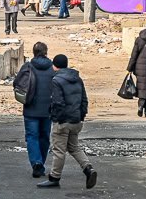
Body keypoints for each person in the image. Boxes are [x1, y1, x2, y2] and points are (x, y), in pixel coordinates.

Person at [39, 54, 97, 190]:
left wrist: (56, 118)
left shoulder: (56, 80)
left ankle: (54, 178)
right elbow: (84, 100)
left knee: (59, 150)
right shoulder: (77, 79)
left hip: (63, 121)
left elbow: (57, 102)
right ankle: (88, 169)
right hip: (76, 120)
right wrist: (81, 116)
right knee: (74, 147)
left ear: (54, 66)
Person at [20, 41, 56, 178]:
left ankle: (37, 163)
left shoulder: (27, 67)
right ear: (46, 52)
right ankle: (40, 162)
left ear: (34, 52)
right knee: (44, 137)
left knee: (31, 136)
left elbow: (17, 83)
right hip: (48, 110)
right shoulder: (52, 68)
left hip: (30, 109)